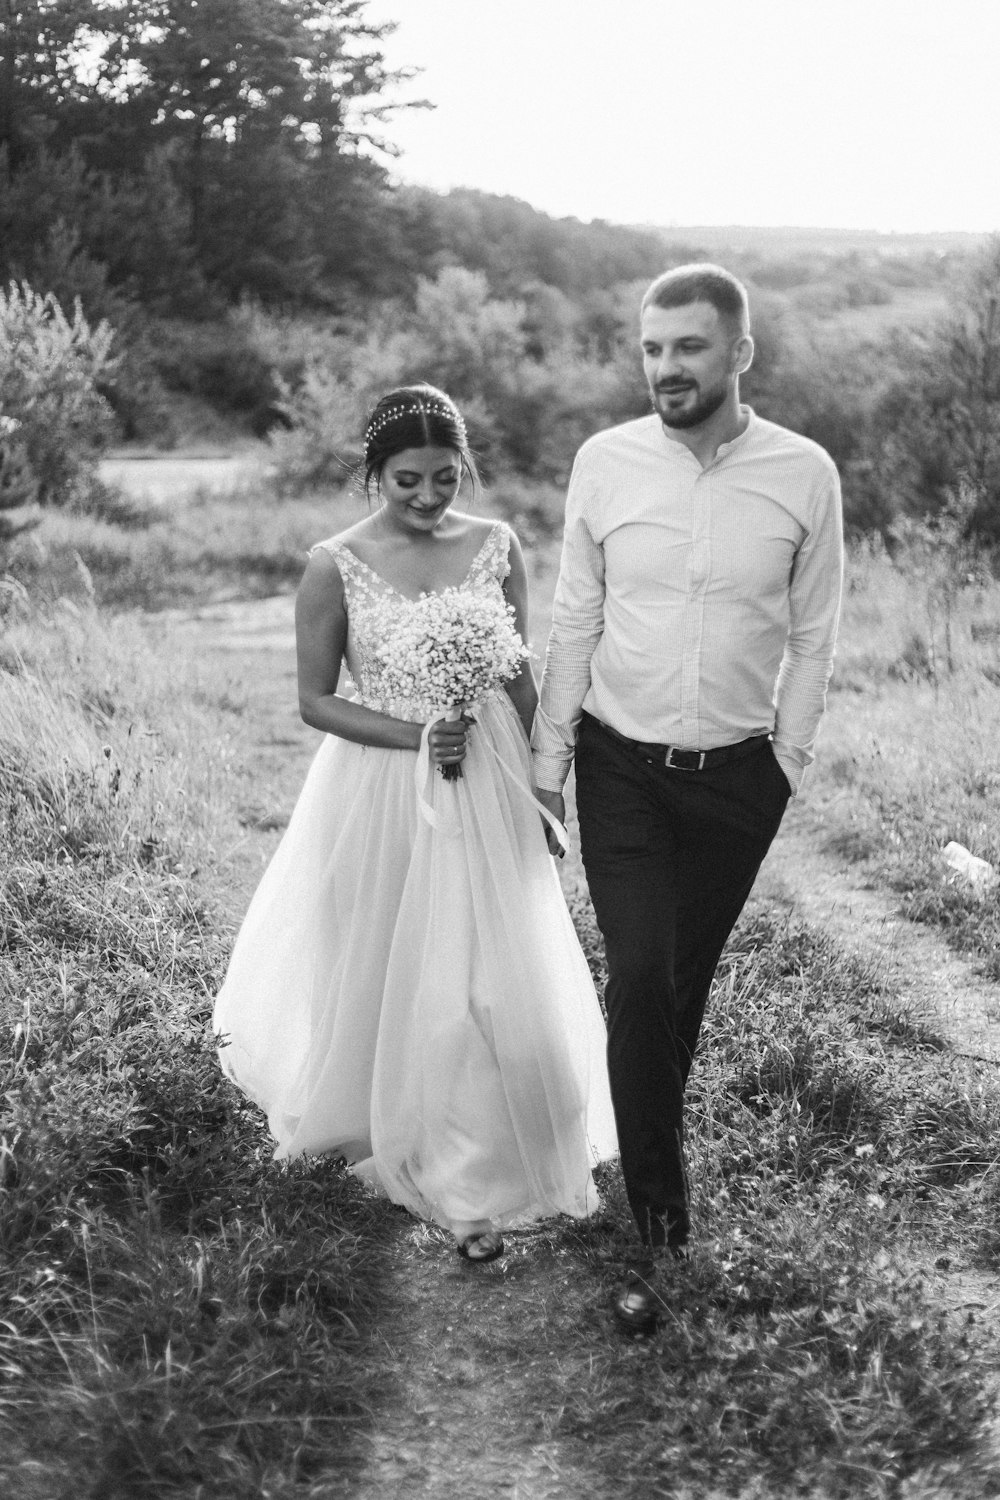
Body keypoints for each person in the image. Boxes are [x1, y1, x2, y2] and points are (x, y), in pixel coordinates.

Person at [213, 383, 616, 1263]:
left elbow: (517, 673)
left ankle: (477, 1166)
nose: (430, 498)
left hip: (493, 773)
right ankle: (384, 1117)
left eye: (445, 478)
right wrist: (418, 735)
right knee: (385, 953)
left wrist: (546, 784)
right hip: (383, 783)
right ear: (374, 475)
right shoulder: (334, 564)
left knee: (483, 961)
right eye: (408, 482)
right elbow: (315, 702)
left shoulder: (497, 545)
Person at [531, 265, 844, 1330]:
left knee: (679, 992)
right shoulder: (604, 465)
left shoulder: (803, 475)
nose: (665, 367)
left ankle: (645, 1165)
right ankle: (662, 1228)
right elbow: (574, 618)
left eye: (688, 348)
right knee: (642, 980)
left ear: (739, 354)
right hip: (618, 765)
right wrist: (546, 767)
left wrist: (785, 762)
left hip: (736, 782)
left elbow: (814, 631)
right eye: (652, 349)